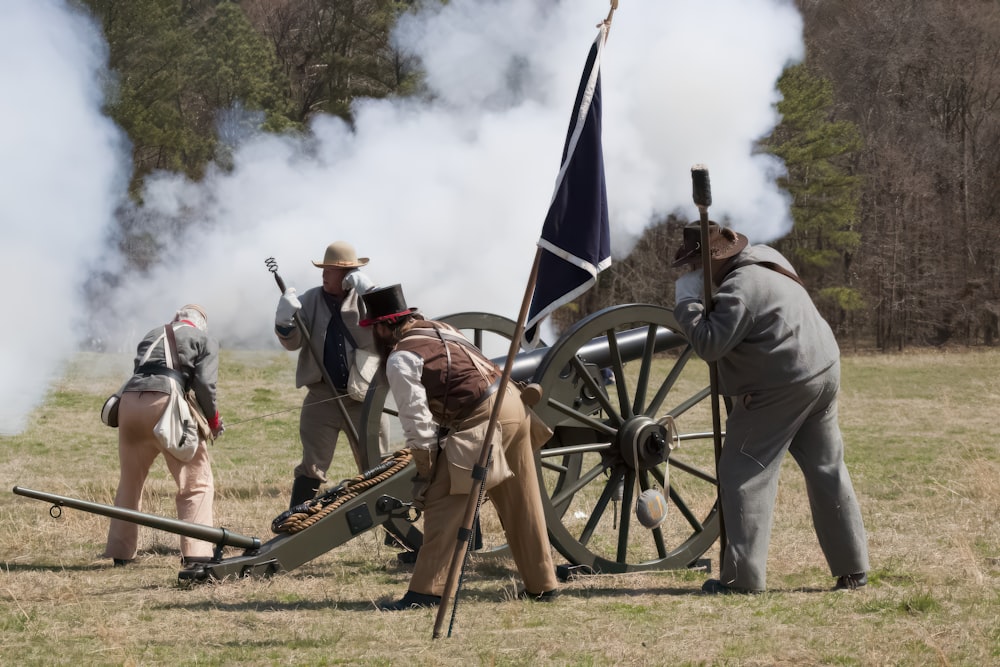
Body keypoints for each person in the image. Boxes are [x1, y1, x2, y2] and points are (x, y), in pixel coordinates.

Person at [671, 222, 870, 594]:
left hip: (783, 383)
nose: (692, 273)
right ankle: (853, 568)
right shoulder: (768, 257)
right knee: (827, 468)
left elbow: (710, 344)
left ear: (712, 262)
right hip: (823, 368)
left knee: (742, 473)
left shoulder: (740, 288)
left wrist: (687, 303)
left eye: (696, 266)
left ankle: (741, 581)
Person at [360, 284, 559, 610]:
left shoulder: (400, 359)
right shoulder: (441, 328)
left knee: (444, 499)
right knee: (522, 500)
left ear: (383, 327)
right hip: (514, 402)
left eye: (374, 329)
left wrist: (427, 471)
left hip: (484, 417)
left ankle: (427, 593)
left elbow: (418, 424)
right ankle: (542, 584)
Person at [103, 304, 225, 567]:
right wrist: (213, 421)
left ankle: (121, 553)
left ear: (175, 319)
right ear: (201, 325)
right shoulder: (205, 339)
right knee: (196, 482)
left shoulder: (151, 334)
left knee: (129, 482)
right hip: (166, 405)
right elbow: (205, 384)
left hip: (129, 405)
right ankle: (197, 554)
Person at [274, 240, 389, 509]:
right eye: (323, 269)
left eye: (330, 270)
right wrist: (283, 323)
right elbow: (294, 344)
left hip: (364, 397)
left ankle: (394, 532)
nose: (324, 274)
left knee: (378, 462)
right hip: (321, 394)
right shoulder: (310, 299)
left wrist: (372, 294)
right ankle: (296, 522)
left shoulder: (367, 298)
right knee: (311, 465)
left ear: (348, 274)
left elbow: (392, 329)